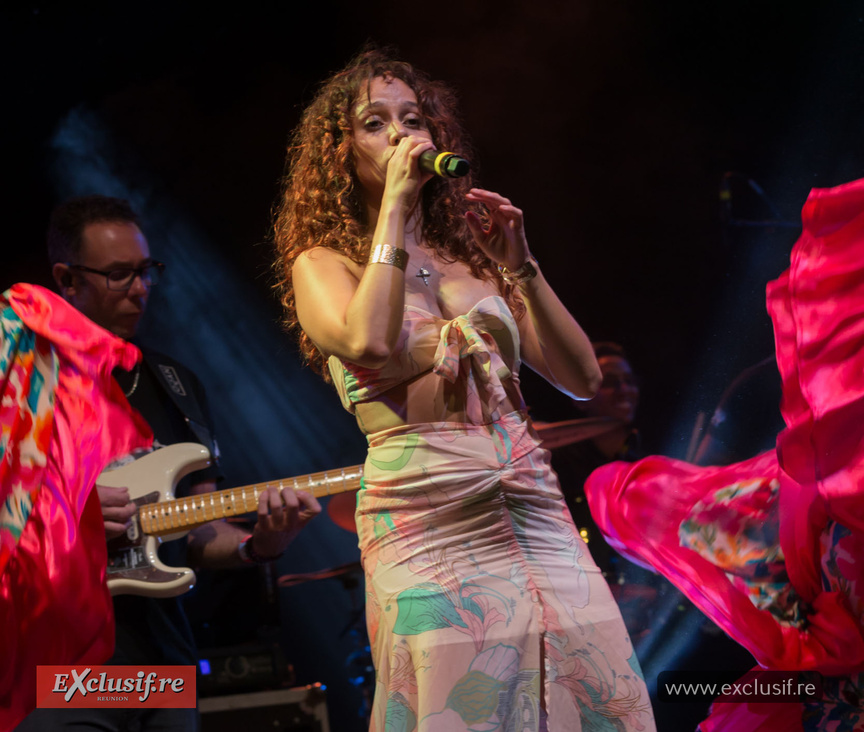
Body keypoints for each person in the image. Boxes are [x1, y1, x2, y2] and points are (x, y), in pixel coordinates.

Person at [272, 49, 655, 732]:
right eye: (375, 123)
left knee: (597, 693)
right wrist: (392, 206)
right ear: (339, 152)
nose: (401, 135)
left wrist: (521, 264)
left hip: (531, 504)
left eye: (413, 119)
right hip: (427, 512)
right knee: (462, 706)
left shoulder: (471, 260)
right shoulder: (323, 264)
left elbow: (582, 379)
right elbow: (368, 344)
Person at [14, 195, 321, 732]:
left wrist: (259, 545)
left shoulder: (174, 385)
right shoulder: (23, 379)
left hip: (161, 666)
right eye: (117, 275)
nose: (140, 289)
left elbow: (202, 530)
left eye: (146, 271)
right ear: (66, 279)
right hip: (56, 666)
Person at [585, 176, 864, 730]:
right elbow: (678, 503)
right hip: (781, 567)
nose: (623, 393)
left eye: (626, 381)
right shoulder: (572, 461)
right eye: (606, 383)